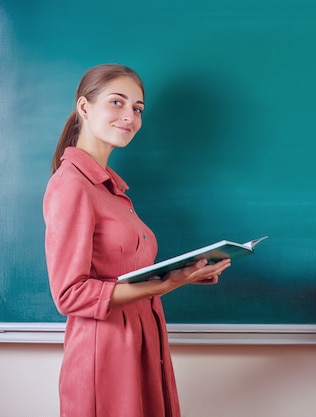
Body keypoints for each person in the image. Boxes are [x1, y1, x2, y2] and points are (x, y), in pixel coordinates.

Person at [43, 64, 232, 417]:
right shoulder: (71, 185)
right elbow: (70, 294)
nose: (129, 115)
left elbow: (127, 276)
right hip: (107, 353)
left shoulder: (113, 190)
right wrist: (164, 284)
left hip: (143, 343)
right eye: (117, 102)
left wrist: (179, 277)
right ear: (84, 107)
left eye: (137, 108)